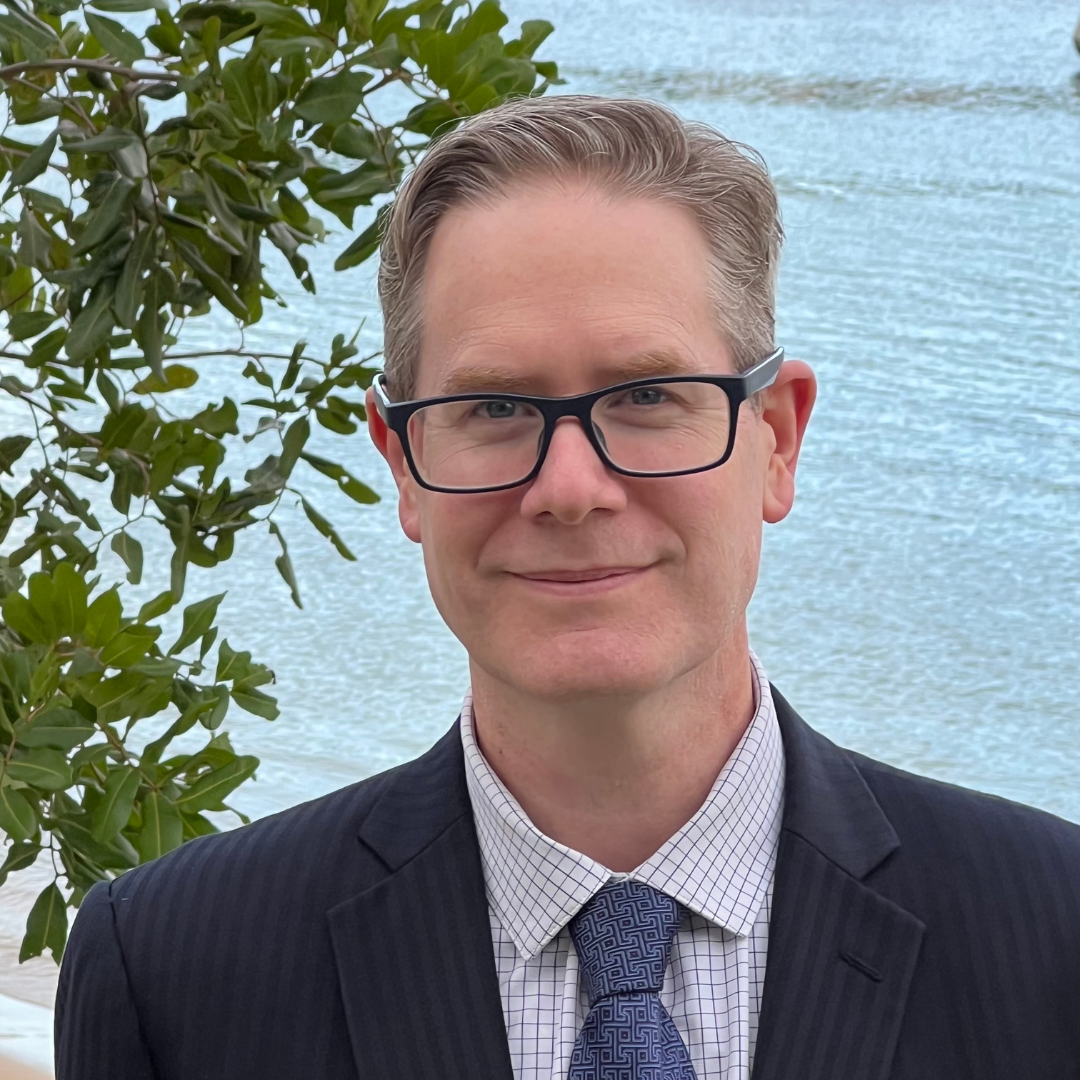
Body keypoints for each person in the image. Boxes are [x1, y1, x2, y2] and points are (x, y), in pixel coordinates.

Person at [55, 95, 1080, 1080]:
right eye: (495, 406)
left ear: (777, 439)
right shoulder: (173, 973)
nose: (572, 489)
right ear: (402, 465)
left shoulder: (1053, 938)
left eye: (646, 396)